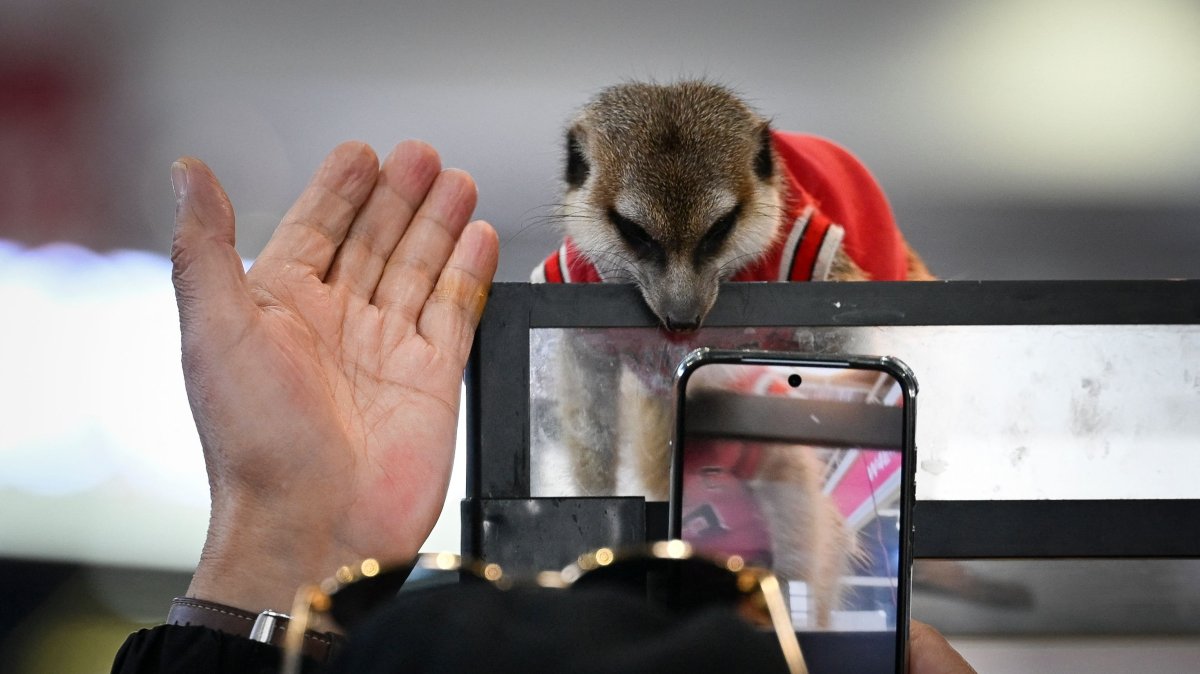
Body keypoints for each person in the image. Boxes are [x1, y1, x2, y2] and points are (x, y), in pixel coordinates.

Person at [112, 141, 976, 673]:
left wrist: (281, 541)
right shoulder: (567, 291)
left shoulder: (809, 231)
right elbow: (588, 409)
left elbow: (879, 329)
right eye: (636, 241)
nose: (678, 293)